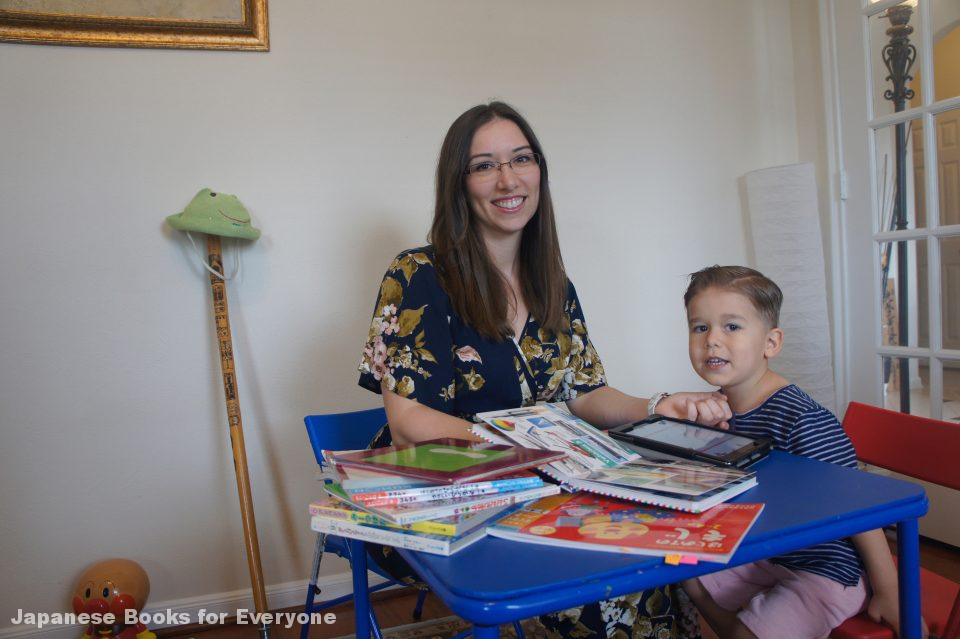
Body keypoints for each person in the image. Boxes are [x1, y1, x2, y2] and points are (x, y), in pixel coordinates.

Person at [357, 101, 732, 638]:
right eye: (484, 165)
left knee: (651, 554)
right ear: (458, 184)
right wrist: (527, 454)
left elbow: (585, 393)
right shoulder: (417, 274)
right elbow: (408, 421)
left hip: (546, 481)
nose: (507, 179)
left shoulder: (554, 282)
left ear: (539, 172)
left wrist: (656, 406)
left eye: (521, 159)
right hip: (441, 493)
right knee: (598, 587)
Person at [678, 265, 925, 639]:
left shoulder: (801, 418)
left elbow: (862, 507)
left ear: (771, 343)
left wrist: (892, 593)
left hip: (824, 566)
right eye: (700, 327)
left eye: (732, 326)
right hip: (767, 549)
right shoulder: (713, 409)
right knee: (681, 568)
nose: (712, 340)